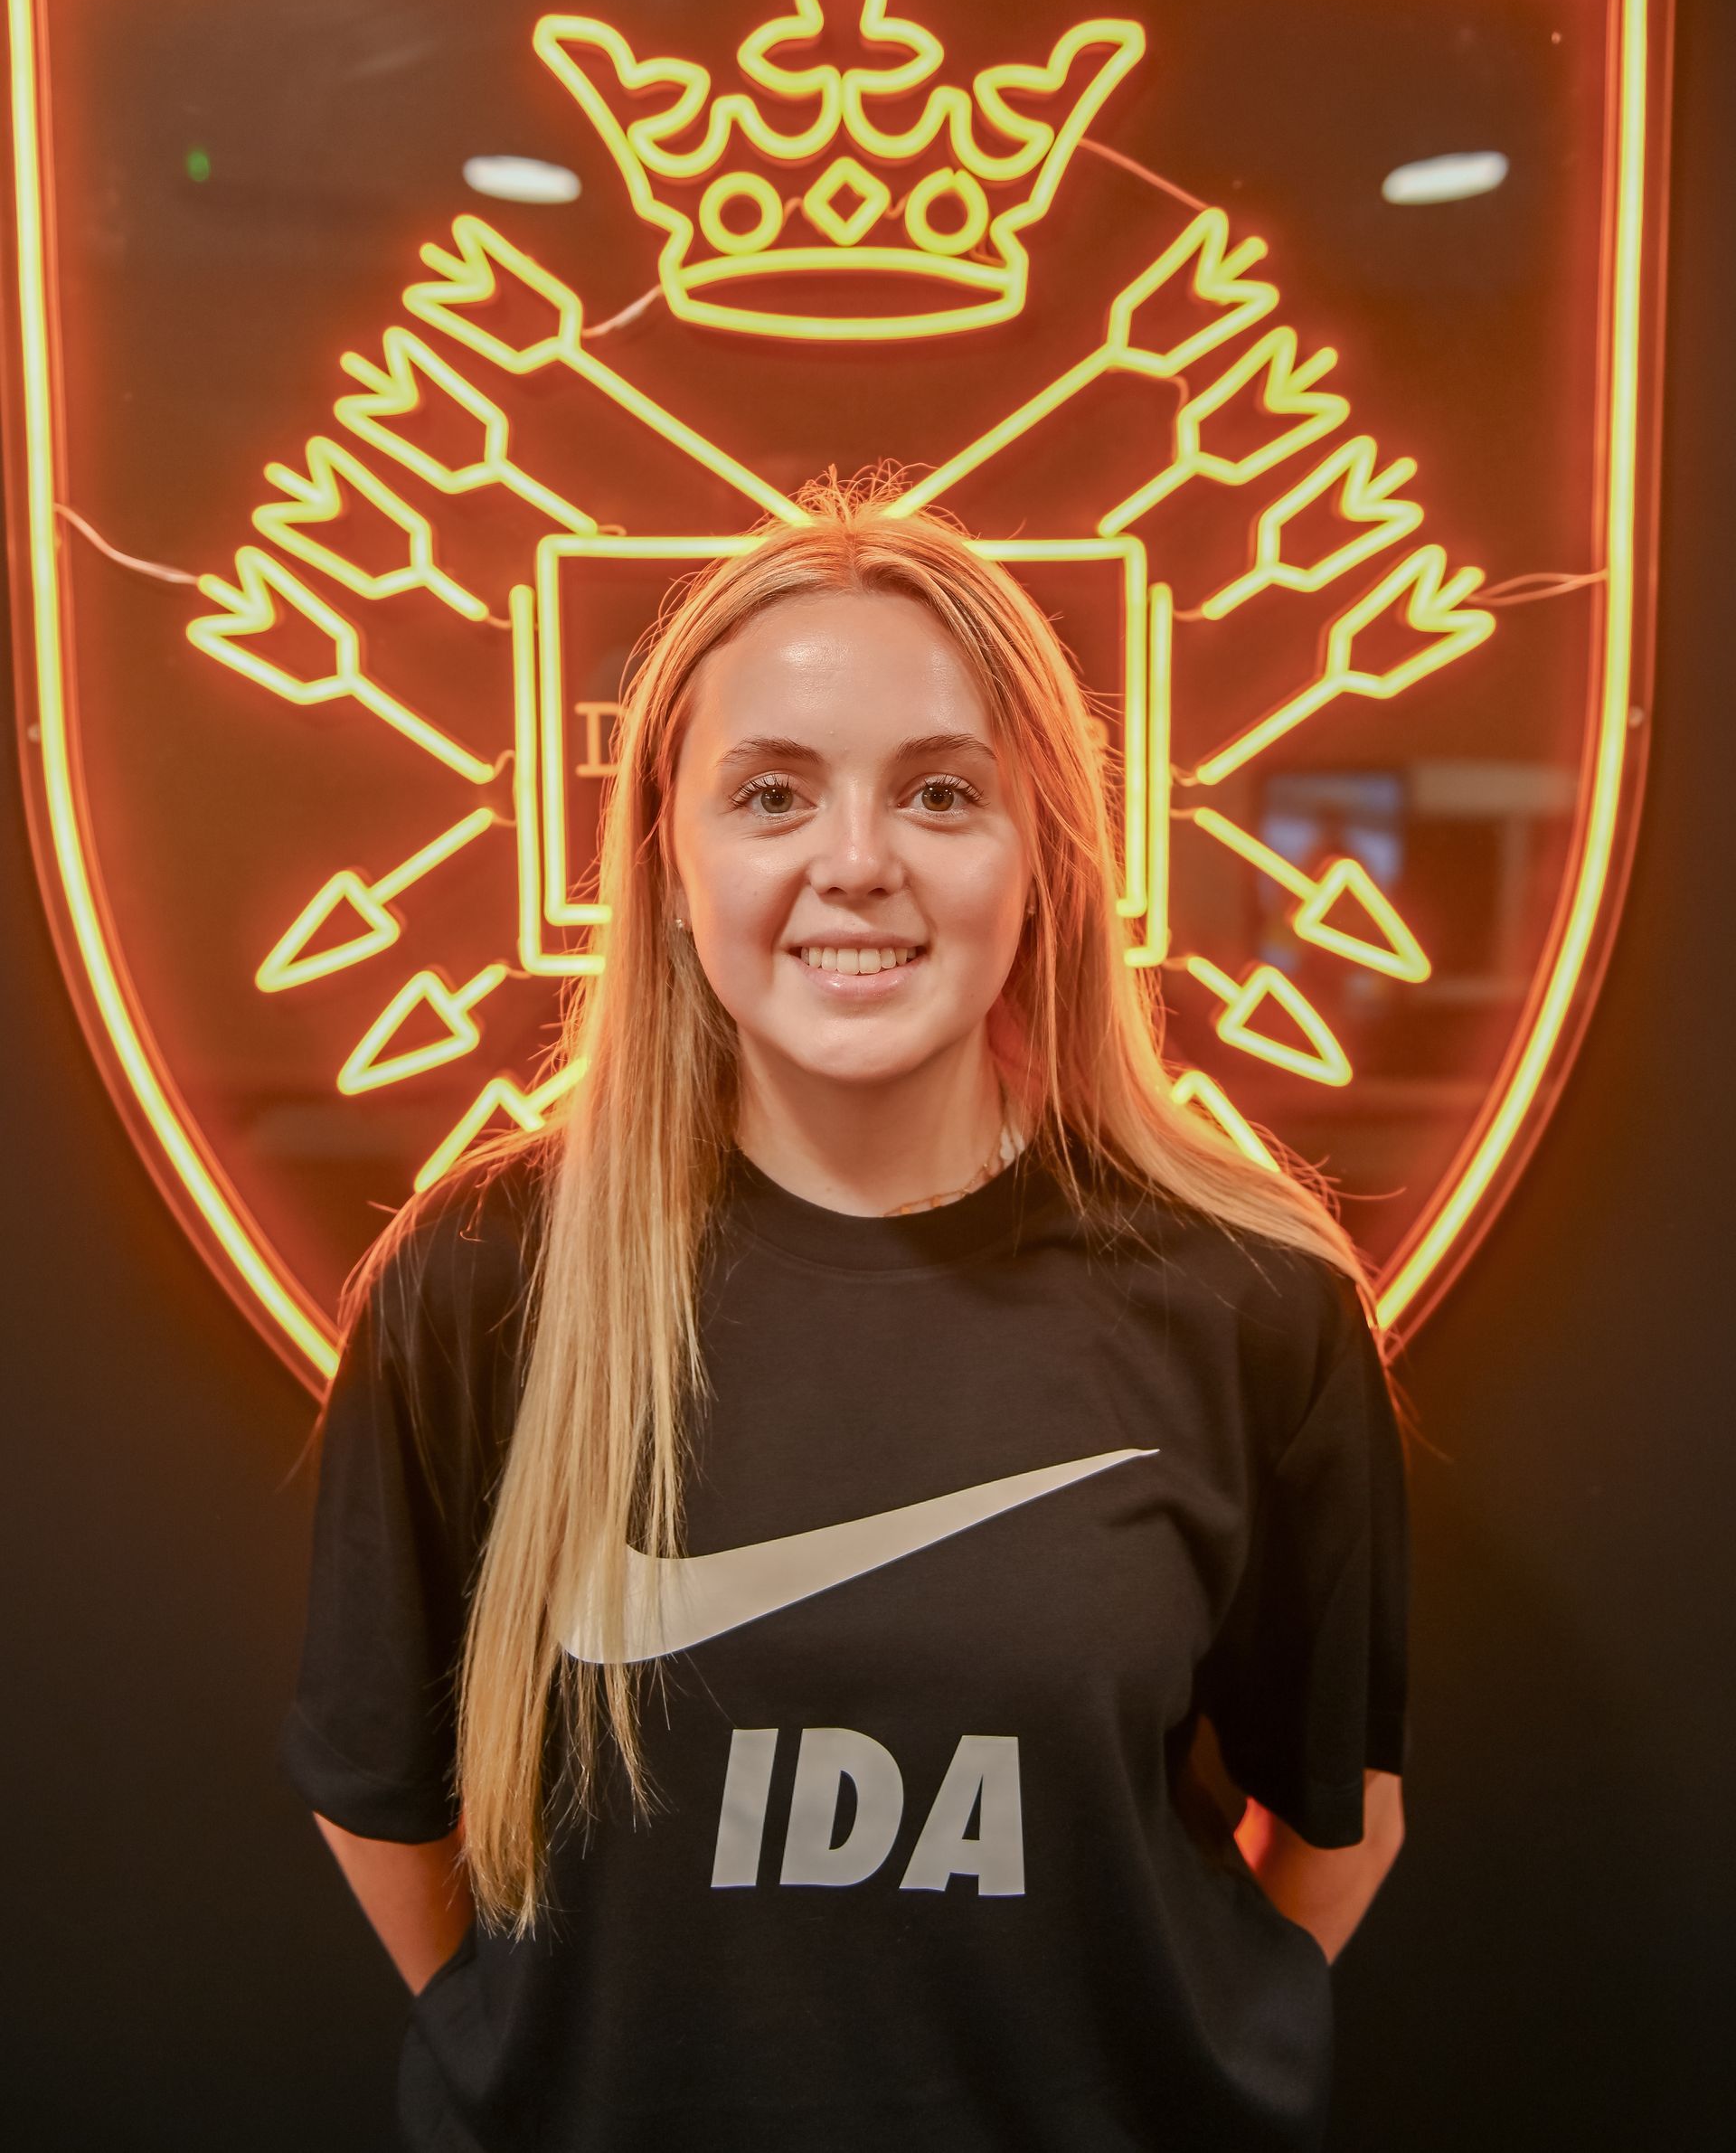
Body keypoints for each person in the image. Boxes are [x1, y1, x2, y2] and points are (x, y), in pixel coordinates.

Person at [283, 480, 1409, 2153]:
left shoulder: (1250, 1300)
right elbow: (388, 1810)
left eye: (943, 792)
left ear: (1045, 857)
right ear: (668, 862)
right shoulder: (480, 1282)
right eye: (773, 794)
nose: (857, 861)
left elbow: (1335, 1833)